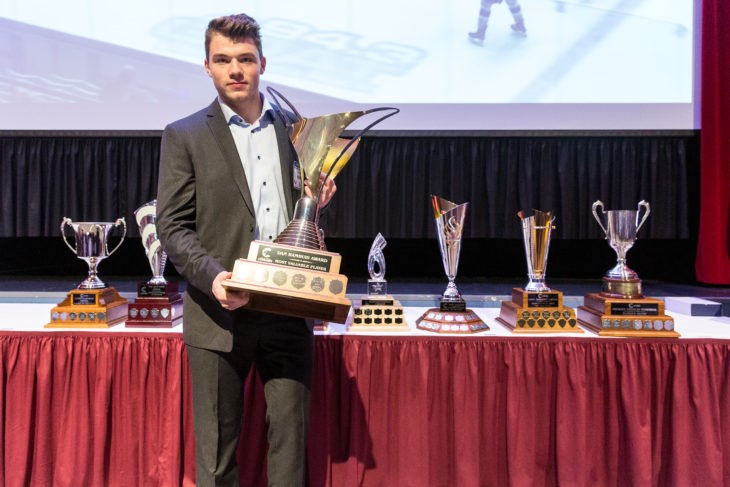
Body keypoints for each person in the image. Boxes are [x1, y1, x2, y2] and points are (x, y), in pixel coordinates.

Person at [156, 13, 335, 486]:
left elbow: (301, 220)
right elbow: (172, 226)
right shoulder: (185, 135)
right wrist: (215, 277)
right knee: (216, 460)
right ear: (207, 67)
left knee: (289, 454)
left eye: (245, 59)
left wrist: (315, 205)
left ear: (262, 63)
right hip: (218, 315)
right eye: (223, 60)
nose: (235, 69)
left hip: (288, 308)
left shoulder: (300, 133)